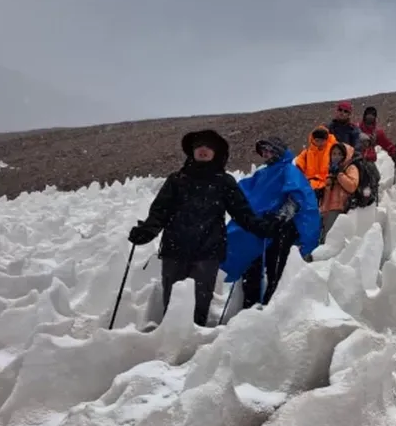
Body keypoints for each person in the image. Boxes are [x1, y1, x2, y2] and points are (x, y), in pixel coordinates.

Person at [127, 130, 277, 327]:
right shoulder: (176, 180)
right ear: (192, 151)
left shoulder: (224, 182)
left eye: (208, 146)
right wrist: (147, 231)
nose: (203, 150)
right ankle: (169, 339)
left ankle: (193, 342)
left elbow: (242, 214)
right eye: (199, 146)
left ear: (216, 152)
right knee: (173, 301)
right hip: (175, 249)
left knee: (201, 300)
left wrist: (262, 227)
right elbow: (160, 211)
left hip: (208, 251)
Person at [221, 137, 321, 309]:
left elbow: (296, 199)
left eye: (269, 150)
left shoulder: (289, 170)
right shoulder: (262, 173)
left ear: (278, 151)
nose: (266, 154)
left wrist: (278, 218)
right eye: (264, 151)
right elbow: (248, 196)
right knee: (252, 266)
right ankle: (250, 305)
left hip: (282, 229)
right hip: (260, 228)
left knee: (276, 269)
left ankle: (272, 307)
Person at [320, 142, 360, 239]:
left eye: (339, 154)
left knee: (330, 239)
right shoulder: (328, 169)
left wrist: (339, 174)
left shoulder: (350, 168)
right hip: (326, 209)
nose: (336, 157)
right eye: (333, 154)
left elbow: (352, 186)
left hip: (340, 208)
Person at [295, 126, 337, 203]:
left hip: (328, 184)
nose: (319, 143)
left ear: (326, 140)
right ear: (313, 140)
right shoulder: (306, 153)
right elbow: (298, 167)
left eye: (322, 140)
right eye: (317, 140)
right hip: (310, 184)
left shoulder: (334, 151)